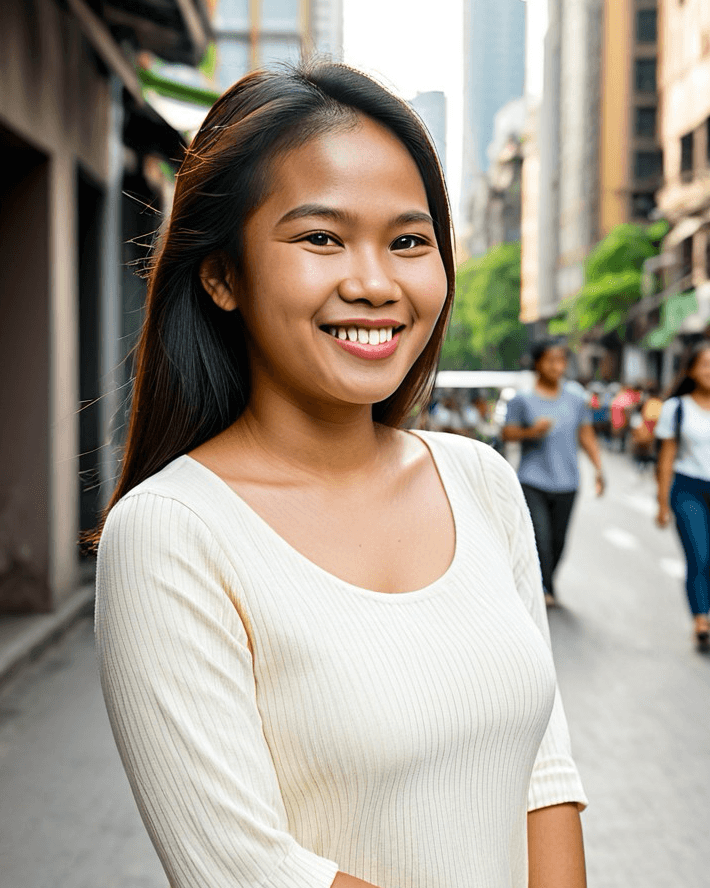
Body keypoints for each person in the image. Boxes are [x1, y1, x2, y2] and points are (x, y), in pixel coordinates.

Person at [92, 63, 587, 888]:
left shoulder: (480, 481)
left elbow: (545, 777)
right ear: (221, 275)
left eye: (408, 241)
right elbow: (250, 870)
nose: (374, 284)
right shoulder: (170, 532)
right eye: (321, 238)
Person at [502, 341, 604, 607]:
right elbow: (507, 433)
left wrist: (599, 468)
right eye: (550, 360)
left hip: (567, 482)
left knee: (558, 541)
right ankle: (543, 589)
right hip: (532, 481)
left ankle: (546, 582)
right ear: (537, 363)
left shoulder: (575, 397)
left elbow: (586, 433)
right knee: (540, 538)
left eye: (561, 360)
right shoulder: (522, 399)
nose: (556, 366)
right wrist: (531, 432)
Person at [655, 343, 710, 651]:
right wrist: (662, 503)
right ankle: (701, 619)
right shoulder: (676, 408)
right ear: (690, 370)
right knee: (699, 555)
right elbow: (666, 459)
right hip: (689, 490)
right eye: (705, 364)